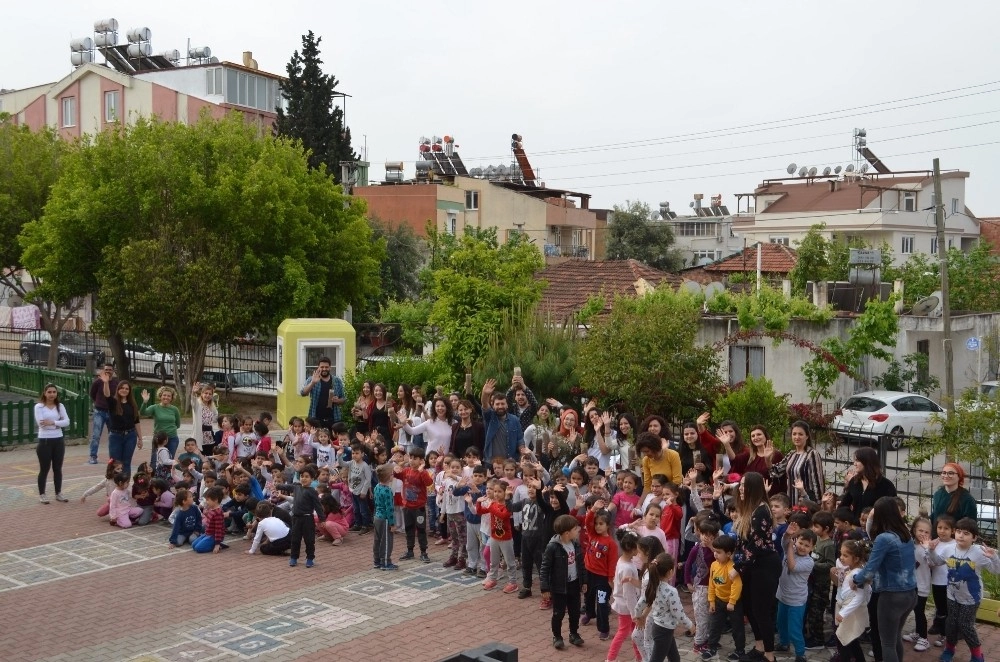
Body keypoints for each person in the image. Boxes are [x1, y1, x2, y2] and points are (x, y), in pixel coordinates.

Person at [850, 496, 917, 662]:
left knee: (887, 643)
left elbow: (869, 570)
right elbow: (871, 531)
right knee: (895, 638)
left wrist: (855, 579)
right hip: (910, 593)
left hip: (891, 596)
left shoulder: (884, 539)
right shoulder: (906, 533)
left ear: (879, 515)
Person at [929, 517, 1000, 662]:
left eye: (966, 533)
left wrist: (994, 558)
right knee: (951, 624)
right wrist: (931, 550)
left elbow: (995, 571)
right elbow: (936, 561)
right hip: (952, 595)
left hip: (971, 598)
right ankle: (949, 649)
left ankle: (977, 655)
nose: (961, 535)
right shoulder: (949, 549)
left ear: (974, 537)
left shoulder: (979, 552)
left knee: (965, 625)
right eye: (959, 531)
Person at [733, 471, 780, 662]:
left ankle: (769, 656)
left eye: (745, 485)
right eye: (741, 485)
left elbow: (756, 545)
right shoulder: (751, 508)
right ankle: (759, 647)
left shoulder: (761, 510)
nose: (741, 488)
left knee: (761, 612)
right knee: (750, 608)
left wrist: (736, 567)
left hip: (765, 566)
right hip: (753, 566)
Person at [635, 552, 693, 662]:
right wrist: (690, 625)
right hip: (664, 630)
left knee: (674, 658)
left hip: (660, 628)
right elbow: (679, 613)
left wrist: (638, 616)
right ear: (670, 572)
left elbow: (640, 603)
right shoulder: (671, 591)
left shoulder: (653, 586)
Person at [540, 513, 586, 650]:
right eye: (575, 529)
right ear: (567, 533)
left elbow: (581, 565)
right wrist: (545, 588)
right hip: (559, 587)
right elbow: (545, 568)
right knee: (558, 613)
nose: (578, 530)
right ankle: (557, 636)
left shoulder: (576, 545)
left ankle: (574, 633)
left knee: (575, 611)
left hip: (574, 584)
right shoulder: (553, 547)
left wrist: (584, 581)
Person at [776, 530, 816, 662]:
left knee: (794, 628)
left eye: (807, 545)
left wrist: (789, 549)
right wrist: (787, 534)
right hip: (783, 596)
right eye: (800, 543)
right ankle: (784, 644)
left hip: (796, 600)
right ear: (796, 541)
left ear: (812, 548)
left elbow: (792, 566)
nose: (802, 547)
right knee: (781, 623)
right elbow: (784, 542)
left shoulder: (809, 562)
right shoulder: (790, 549)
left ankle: (800, 653)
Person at [275, 465, 324, 567]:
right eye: (302, 476)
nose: (304, 479)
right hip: (296, 518)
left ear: (312, 479)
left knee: (309, 540)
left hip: (307, 518)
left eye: (307, 477)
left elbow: (318, 506)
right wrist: (277, 486)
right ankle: (294, 557)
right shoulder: (297, 487)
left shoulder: (312, 491)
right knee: (295, 539)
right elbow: (286, 486)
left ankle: (310, 558)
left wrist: (322, 518)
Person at [705, 533, 745, 661]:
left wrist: (732, 602)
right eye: (714, 551)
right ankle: (712, 648)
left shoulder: (732, 568)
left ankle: (740, 650)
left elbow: (737, 585)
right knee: (715, 626)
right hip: (718, 601)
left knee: (737, 628)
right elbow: (711, 583)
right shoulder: (714, 565)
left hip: (733, 604)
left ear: (728, 554)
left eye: (718, 552)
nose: (715, 554)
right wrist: (711, 601)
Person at [582, 506, 618, 640]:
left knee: (602, 602)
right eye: (596, 523)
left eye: (601, 524)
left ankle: (604, 628)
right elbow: (587, 522)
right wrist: (592, 511)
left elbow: (612, 563)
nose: (597, 526)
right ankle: (590, 613)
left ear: (608, 525)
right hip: (588, 574)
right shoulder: (592, 535)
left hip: (602, 580)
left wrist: (610, 579)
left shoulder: (611, 544)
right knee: (588, 596)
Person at [393, 447, 434, 563]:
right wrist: (395, 468)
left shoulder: (423, 472)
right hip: (407, 507)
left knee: (421, 530)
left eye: (415, 458)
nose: (412, 460)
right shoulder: (406, 471)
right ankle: (410, 550)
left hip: (419, 508)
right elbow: (396, 474)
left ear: (421, 460)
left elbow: (429, 483)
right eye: (411, 458)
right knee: (409, 529)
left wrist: (422, 471)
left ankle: (423, 552)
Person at [608, 528, 643, 662]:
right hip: (628, 608)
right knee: (624, 633)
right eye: (638, 547)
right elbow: (629, 595)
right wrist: (635, 615)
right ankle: (610, 659)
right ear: (632, 548)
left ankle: (640, 657)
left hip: (627, 606)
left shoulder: (623, 561)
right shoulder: (627, 567)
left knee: (636, 634)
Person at [477, 479, 517, 593]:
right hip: (494, 537)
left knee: (510, 562)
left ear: (505, 493)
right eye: (495, 491)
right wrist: (478, 502)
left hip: (506, 539)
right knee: (493, 561)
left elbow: (503, 515)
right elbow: (480, 511)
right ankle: (493, 579)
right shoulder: (493, 504)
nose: (496, 494)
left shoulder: (508, 506)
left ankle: (513, 582)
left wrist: (491, 507)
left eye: (499, 491)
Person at [834, 539, 872, 662]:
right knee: (851, 640)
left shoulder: (857, 574)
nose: (841, 558)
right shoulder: (852, 570)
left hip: (849, 612)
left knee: (844, 640)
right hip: (846, 608)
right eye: (841, 554)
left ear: (855, 559)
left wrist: (843, 612)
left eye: (845, 555)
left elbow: (860, 597)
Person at [839, 447, 897, 525]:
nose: (854, 464)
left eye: (857, 460)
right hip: (855, 527)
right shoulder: (854, 481)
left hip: (875, 528)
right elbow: (844, 505)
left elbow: (892, 511)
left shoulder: (886, 485)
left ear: (867, 462)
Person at [902, 516, 934, 652]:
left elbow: (932, 562)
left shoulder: (928, 548)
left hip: (922, 585)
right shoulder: (910, 544)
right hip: (910, 584)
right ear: (914, 530)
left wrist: (928, 549)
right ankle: (917, 633)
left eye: (927, 532)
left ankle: (924, 638)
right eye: (920, 530)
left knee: (920, 611)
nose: (923, 534)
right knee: (914, 610)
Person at [35, 383, 70, 504]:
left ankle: (58, 493)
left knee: (57, 468)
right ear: (45, 393)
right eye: (49, 392)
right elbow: (41, 423)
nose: (52, 394)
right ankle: (42, 494)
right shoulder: (39, 407)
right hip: (45, 441)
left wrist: (53, 423)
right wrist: (57, 423)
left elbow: (66, 421)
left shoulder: (60, 406)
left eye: (54, 392)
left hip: (58, 440)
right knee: (44, 469)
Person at [480, 378, 523, 460]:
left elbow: (520, 440)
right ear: (493, 405)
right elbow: (484, 404)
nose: (500, 406)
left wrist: (523, 453)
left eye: (502, 403)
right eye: (497, 404)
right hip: (491, 463)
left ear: (507, 405)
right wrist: (485, 394)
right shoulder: (489, 417)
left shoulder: (515, 420)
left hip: (510, 463)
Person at [140, 386, 181, 471]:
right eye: (164, 395)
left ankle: (166, 481)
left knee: (169, 461)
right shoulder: (155, 407)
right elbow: (143, 413)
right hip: (158, 439)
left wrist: (169, 430)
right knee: (155, 460)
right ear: (160, 396)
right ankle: (154, 479)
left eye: (169, 396)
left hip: (172, 438)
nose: (166, 397)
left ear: (172, 398)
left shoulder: (174, 409)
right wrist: (145, 402)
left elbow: (177, 424)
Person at [299, 356, 345, 431]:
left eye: (326, 367)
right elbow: (303, 393)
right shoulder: (312, 379)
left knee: (332, 440)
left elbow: (343, 399)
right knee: (316, 440)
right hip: (315, 418)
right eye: (322, 367)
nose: (324, 369)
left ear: (330, 367)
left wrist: (338, 400)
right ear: (318, 367)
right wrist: (313, 383)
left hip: (333, 418)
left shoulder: (337, 381)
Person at [106, 380, 142, 476]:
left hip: (130, 436)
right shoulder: (113, 403)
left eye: (127, 389)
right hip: (115, 436)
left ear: (129, 391)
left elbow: (136, 422)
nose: (124, 390)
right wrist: (106, 383)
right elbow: (107, 395)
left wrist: (140, 439)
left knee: (126, 462)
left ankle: (124, 486)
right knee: (115, 463)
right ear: (118, 389)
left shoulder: (132, 404)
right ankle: (114, 486)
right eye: (122, 388)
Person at [930, 463, 977, 529]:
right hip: (936, 537)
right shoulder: (937, 494)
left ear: (959, 476)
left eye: (951, 473)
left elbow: (970, 526)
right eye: (944, 473)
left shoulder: (967, 499)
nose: (946, 476)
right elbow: (934, 518)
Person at [88, 363, 118, 464]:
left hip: (111, 412)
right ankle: (93, 456)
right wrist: (98, 402)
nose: (108, 371)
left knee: (113, 435)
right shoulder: (98, 382)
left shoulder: (116, 383)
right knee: (96, 435)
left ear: (113, 371)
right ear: (103, 371)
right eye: (106, 370)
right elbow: (92, 393)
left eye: (110, 370)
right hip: (99, 412)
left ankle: (113, 458)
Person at [372, 464, 397, 570]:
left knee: (377, 540)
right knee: (386, 542)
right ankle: (385, 563)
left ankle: (377, 561)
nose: (393, 476)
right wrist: (392, 523)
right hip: (385, 519)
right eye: (392, 474)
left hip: (377, 517)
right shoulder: (387, 490)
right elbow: (389, 508)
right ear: (387, 476)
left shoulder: (377, 486)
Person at [192, 486, 228, 553]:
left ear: (216, 500)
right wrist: (206, 514)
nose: (206, 502)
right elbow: (211, 521)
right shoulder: (211, 508)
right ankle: (212, 543)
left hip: (214, 536)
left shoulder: (218, 512)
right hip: (208, 533)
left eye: (208, 500)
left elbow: (218, 529)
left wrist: (217, 544)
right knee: (193, 545)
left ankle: (218, 545)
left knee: (198, 548)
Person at [190, 382, 218, 456]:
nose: (207, 395)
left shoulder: (212, 406)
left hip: (209, 436)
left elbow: (215, 417)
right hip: (200, 435)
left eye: (210, 394)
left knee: (209, 457)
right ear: (202, 394)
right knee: (198, 458)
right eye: (206, 393)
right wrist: (193, 393)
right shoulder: (198, 405)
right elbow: (193, 402)